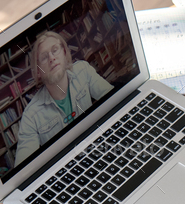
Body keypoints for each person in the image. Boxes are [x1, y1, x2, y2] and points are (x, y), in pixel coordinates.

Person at [15, 31, 113, 166]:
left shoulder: (83, 70)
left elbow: (114, 101)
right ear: (38, 71)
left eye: (55, 50)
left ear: (65, 53)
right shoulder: (30, 116)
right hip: (67, 167)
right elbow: (23, 168)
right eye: (44, 57)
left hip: (100, 146)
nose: (51, 58)